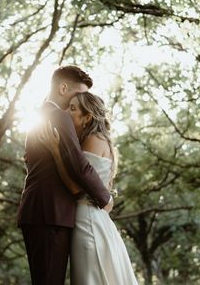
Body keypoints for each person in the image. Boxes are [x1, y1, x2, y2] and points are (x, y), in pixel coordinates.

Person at [16, 66, 113, 285]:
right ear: (63, 88)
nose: (81, 99)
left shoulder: (41, 115)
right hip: (50, 212)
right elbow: (79, 164)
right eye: (78, 94)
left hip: (42, 211)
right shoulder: (58, 115)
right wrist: (105, 198)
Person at [39, 91, 139, 284]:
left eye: (73, 108)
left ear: (87, 117)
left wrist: (55, 152)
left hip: (88, 222)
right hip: (93, 218)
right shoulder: (98, 139)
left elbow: (77, 189)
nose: (66, 112)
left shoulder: (92, 139)